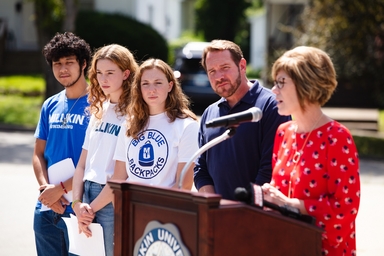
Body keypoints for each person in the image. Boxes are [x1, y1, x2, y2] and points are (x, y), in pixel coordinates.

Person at [261, 46, 360, 255]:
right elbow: (279, 192)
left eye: (281, 82)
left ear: (305, 84)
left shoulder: (337, 137)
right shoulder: (283, 132)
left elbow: (345, 211)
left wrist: (290, 204)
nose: (273, 90)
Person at [193, 39, 291, 200]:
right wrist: (212, 205)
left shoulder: (272, 106)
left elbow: (271, 169)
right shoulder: (209, 113)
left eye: (225, 68)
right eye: (212, 71)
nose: (219, 77)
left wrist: (243, 210)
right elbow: (201, 169)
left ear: (242, 66)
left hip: (257, 216)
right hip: (218, 216)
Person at [71, 44, 138, 256]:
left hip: (110, 198)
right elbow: (82, 164)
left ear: (126, 73)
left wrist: (91, 209)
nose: (103, 79)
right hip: (86, 194)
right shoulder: (99, 110)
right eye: (99, 73)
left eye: (110, 73)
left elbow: (122, 173)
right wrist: (77, 204)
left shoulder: (134, 114)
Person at [32, 32, 91, 256]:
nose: (63, 68)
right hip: (47, 207)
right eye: (57, 63)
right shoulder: (50, 105)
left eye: (69, 62)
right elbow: (38, 153)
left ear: (83, 64)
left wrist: (61, 190)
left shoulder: (98, 105)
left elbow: (96, 161)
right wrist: (45, 189)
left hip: (80, 207)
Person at [104, 58, 199, 198]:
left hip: (163, 213)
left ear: (170, 86)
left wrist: (148, 209)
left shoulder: (187, 126)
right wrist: (88, 209)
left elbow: (183, 186)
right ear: (139, 88)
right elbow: (118, 178)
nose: (151, 90)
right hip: (129, 209)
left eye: (158, 83)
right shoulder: (129, 124)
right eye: (145, 84)